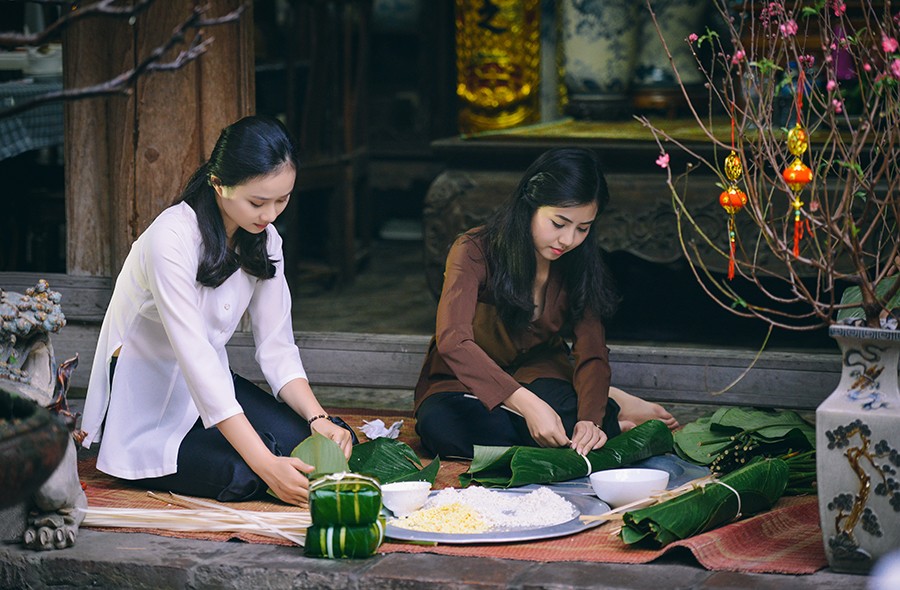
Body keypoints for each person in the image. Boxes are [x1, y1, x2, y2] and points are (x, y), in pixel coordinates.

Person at [80, 115, 354, 507]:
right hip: (146, 399)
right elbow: (197, 363)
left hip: (211, 388)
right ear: (218, 184)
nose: (271, 214)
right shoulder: (171, 239)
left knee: (328, 442)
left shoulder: (265, 239)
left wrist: (318, 418)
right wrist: (264, 464)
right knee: (245, 474)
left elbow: (277, 348)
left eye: (283, 199)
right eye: (258, 202)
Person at [414, 147, 678, 460]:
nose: (568, 240)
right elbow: (453, 342)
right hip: (463, 381)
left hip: (539, 372)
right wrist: (527, 404)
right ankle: (606, 417)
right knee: (442, 427)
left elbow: (591, 350)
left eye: (583, 228)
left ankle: (600, 415)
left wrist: (589, 421)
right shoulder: (474, 250)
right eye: (559, 223)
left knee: (585, 420)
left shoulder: (579, 261)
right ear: (530, 204)